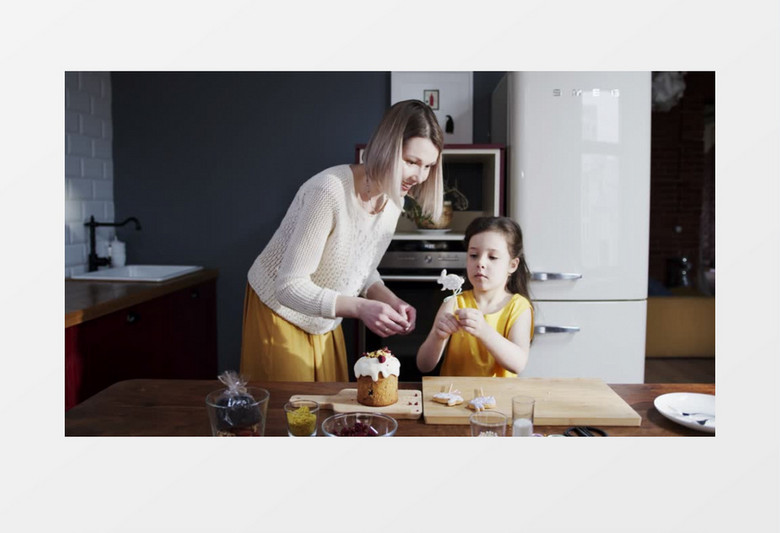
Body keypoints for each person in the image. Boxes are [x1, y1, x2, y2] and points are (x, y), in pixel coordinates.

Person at [240, 99, 444, 382]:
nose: (419, 176)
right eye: (411, 162)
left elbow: (361, 268)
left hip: (324, 316)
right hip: (279, 310)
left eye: (428, 166)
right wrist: (361, 308)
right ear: (386, 147)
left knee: (327, 410)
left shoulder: (394, 201)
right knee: (287, 416)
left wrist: (388, 299)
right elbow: (288, 286)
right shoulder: (329, 191)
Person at [416, 216, 534, 377]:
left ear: (512, 265)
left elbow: (518, 364)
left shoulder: (519, 307)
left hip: (498, 400)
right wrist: (437, 336)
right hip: (452, 398)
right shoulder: (454, 302)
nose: (481, 263)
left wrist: (484, 331)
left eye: (492, 257)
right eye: (473, 255)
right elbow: (424, 365)